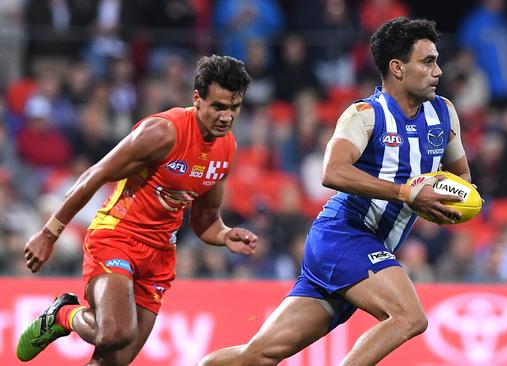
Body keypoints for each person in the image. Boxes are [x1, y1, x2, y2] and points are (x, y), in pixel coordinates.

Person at [199, 17, 472, 366]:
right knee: (409, 317)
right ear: (397, 68)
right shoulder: (365, 115)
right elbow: (333, 171)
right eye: (428, 62)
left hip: (364, 250)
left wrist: (450, 204)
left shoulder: (444, 114)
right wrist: (407, 193)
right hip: (344, 234)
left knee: (258, 355)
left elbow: (461, 176)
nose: (438, 71)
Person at [17, 55, 258, 365]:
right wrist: (49, 233)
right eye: (218, 107)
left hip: (159, 257)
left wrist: (225, 235)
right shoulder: (162, 132)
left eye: (234, 108)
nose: (226, 117)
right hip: (118, 236)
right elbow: (96, 174)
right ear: (197, 99)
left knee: (113, 360)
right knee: (115, 333)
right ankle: (63, 314)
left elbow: (206, 221)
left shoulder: (227, 149)